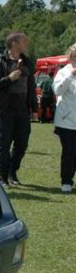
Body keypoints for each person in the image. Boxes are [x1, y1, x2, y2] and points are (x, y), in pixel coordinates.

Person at [0, 32, 38, 188]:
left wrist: (34, 109)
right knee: (4, 143)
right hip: (4, 109)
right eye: (24, 41)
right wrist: (9, 79)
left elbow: (31, 87)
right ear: (14, 43)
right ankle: (2, 177)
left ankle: (12, 171)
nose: (26, 43)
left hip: (22, 109)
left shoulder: (27, 62)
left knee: (22, 143)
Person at [53, 43, 76, 193]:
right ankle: (66, 181)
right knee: (69, 151)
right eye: (75, 56)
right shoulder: (63, 72)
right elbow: (57, 90)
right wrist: (70, 76)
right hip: (67, 121)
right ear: (70, 56)